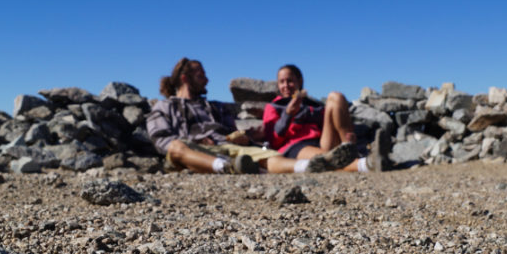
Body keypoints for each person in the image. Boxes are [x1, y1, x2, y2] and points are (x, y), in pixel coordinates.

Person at [147, 58, 358, 174]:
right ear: (185, 78)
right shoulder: (165, 107)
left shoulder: (216, 107)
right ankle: (225, 167)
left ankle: (308, 167)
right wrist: (196, 140)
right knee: (176, 148)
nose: (207, 80)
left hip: (229, 148)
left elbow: (233, 131)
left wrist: (242, 138)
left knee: (269, 158)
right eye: (201, 75)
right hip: (193, 149)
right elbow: (162, 140)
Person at [262, 64, 390, 172]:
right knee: (325, 159)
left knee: (336, 97)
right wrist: (288, 114)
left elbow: (333, 122)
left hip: (322, 139)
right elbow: (273, 139)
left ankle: (350, 147)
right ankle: (366, 164)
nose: (286, 85)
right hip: (297, 145)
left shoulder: (313, 104)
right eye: (281, 82)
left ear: (299, 81)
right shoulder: (274, 106)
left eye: (290, 81)